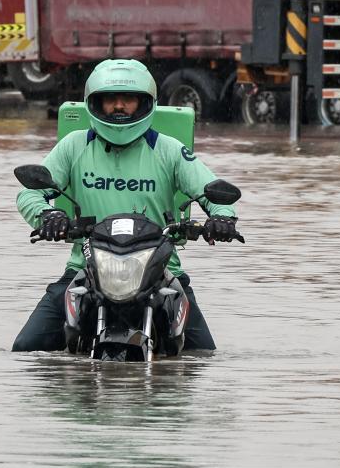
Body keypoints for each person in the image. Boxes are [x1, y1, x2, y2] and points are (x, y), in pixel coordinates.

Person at [12, 58, 239, 352]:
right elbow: (29, 193)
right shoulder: (73, 145)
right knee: (27, 348)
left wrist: (223, 219)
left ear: (145, 103)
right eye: (110, 99)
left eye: (128, 99)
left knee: (202, 356)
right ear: (95, 103)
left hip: (161, 271)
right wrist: (48, 215)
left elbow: (212, 192)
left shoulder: (169, 149)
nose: (119, 106)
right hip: (86, 268)